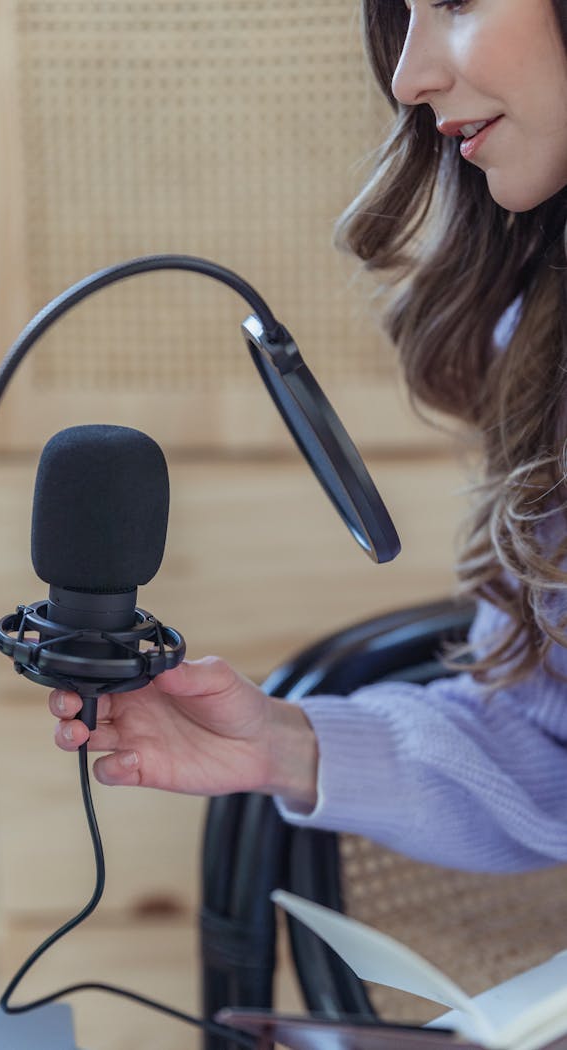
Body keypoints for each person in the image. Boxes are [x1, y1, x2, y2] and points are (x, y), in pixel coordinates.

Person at [49, 0, 567, 873]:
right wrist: (283, 746)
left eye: (454, 1)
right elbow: (545, 749)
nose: (408, 78)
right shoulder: (543, 342)